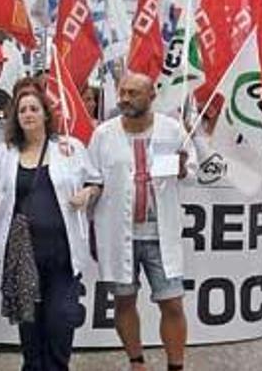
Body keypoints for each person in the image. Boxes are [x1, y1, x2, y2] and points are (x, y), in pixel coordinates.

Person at [77, 72, 191, 371]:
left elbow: (192, 170)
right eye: (122, 92)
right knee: (125, 302)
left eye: (133, 93)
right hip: (118, 233)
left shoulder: (172, 130)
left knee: (172, 303)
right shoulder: (103, 134)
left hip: (159, 234)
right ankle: (136, 361)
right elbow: (93, 176)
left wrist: (182, 169)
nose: (125, 99)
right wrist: (87, 193)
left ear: (152, 96)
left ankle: (176, 365)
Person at [0, 89, 94, 370]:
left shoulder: (69, 148)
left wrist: (88, 193)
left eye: (34, 108)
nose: (28, 114)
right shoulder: (2, 154)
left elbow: (96, 180)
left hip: (61, 256)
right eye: (22, 110)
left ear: (46, 113)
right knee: (30, 330)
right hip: (22, 258)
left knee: (60, 321)